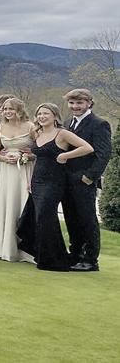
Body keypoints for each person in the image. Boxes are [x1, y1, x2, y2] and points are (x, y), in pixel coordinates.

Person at [22, 103, 95, 271]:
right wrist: (30, 179)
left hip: (54, 181)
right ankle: (43, 256)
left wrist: (65, 155)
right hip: (37, 180)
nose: (42, 116)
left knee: (45, 218)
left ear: (55, 116)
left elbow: (87, 148)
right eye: (39, 113)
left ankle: (54, 259)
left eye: (46, 113)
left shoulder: (63, 133)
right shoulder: (37, 133)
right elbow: (40, 157)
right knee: (38, 218)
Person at [61, 89, 112, 272]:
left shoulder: (99, 124)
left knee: (87, 219)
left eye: (79, 103)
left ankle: (90, 259)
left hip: (84, 180)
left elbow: (104, 153)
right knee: (71, 219)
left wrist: (90, 177)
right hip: (66, 180)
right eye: (72, 103)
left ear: (89, 103)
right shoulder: (68, 123)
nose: (75, 107)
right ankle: (75, 254)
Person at [0, 98, 35, 261]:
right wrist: (4, 159)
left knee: (22, 205)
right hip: (5, 171)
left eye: (11, 109)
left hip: (24, 170)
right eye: (5, 109)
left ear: (19, 110)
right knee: (6, 205)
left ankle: (26, 249)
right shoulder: (0, 128)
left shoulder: (31, 127)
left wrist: (30, 156)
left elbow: (40, 149)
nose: (7, 112)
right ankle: (4, 247)